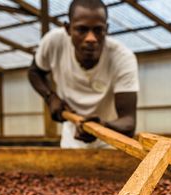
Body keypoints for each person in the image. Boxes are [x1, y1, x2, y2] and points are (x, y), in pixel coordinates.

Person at [28, 0, 139, 148]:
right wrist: (50, 97)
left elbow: (129, 122)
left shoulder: (122, 58)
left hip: (111, 137)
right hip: (71, 138)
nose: (91, 38)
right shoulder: (54, 42)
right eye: (82, 29)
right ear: (68, 29)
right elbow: (34, 72)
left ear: (106, 29)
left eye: (98, 30)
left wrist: (100, 127)